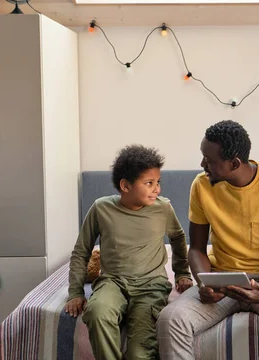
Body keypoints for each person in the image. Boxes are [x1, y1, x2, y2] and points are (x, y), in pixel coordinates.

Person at [156, 120, 259, 360]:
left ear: (234, 163)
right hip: (221, 280)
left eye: (209, 160)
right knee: (170, 320)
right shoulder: (201, 186)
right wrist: (204, 283)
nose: (203, 166)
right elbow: (197, 249)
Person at [64, 145, 193, 360]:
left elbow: (178, 238)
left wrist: (182, 273)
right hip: (112, 282)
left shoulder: (163, 208)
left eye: (158, 182)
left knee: (139, 353)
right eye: (149, 183)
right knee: (97, 313)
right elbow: (81, 251)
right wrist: (75, 292)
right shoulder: (100, 208)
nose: (157, 189)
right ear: (125, 185)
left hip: (152, 285)